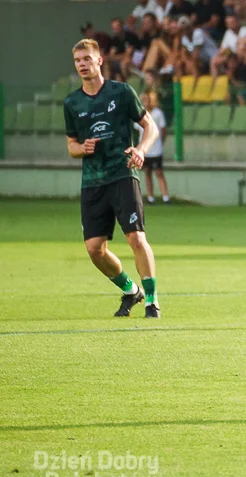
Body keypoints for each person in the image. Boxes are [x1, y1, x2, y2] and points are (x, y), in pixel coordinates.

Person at [64, 39, 162, 318]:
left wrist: (141, 149)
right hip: (92, 181)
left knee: (135, 237)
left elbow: (149, 126)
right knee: (95, 249)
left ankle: (152, 299)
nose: (82, 64)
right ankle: (132, 290)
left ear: (99, 61)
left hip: (122, 174)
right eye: (77, 60)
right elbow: (71, 145)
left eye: (86, 59)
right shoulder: (72, 103)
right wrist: (81, 149)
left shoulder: (121, 92)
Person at [135, 92, 170, 205]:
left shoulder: (158, 113)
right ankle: (150, 197)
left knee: (159, 172)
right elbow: (138, 130)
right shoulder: (140, 114)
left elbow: (163, 130)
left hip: (156, 150)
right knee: (147, 172)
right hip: (145, 150)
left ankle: (165, 197)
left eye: (148, 99)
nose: (146, 102)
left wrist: (160, 142)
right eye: (144, 99)